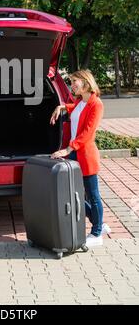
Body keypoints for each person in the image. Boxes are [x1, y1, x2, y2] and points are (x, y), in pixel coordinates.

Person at [50, 69, 111, 248]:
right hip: (76, 153)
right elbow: (74, 109)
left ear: (85, 82)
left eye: (74, 82)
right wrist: (61, 106)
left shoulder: (96, 104)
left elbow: (87, 134)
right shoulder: (80, 101)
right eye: (71, 82)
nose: (72, 85)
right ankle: (99, 223)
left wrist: (67, 149)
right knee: (74, 193)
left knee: (93, 195)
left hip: (86, 155)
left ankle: (97, 233)